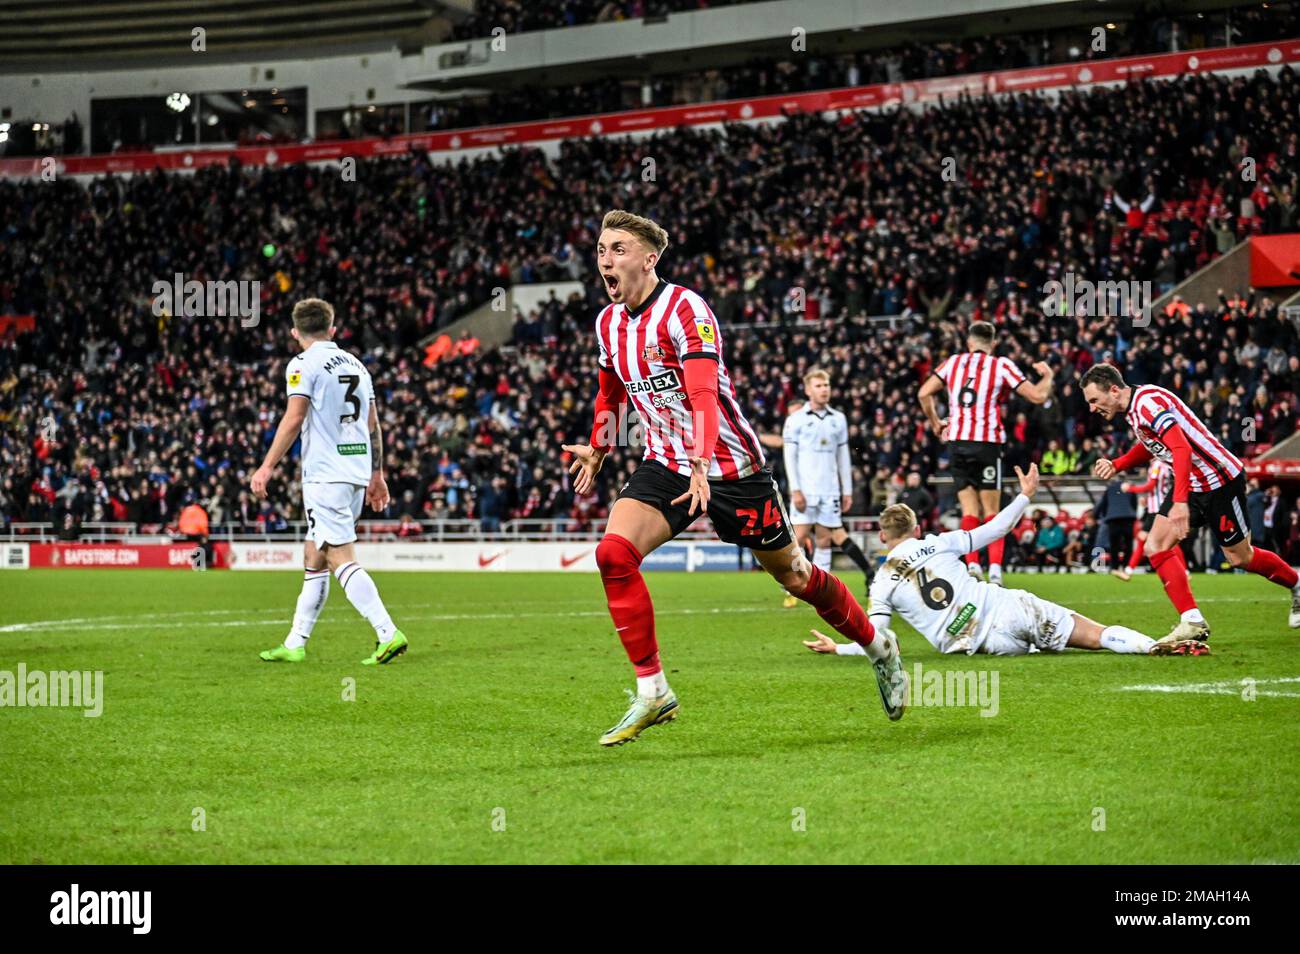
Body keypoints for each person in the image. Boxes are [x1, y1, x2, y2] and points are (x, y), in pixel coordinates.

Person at [562, 210, 906, 746]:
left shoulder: (686, 309)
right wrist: (601, 449)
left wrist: (702, 460)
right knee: (613, 553)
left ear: (650, 260)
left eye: (619, 249)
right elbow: (610, 393)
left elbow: (701, 394)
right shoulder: (608, 324)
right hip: (667, 464)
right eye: (602, 249)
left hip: (732, 469)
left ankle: (878, 646)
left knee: (797, 577)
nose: (606, 260)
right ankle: (653, 690)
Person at [803, 462, 1208, 659]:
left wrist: (838, 648)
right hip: (1006, 608)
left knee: (1042, 651)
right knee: (1093, 636)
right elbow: (995, 528)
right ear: (914, 528)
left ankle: (1040, 646)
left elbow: (880, 640)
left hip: (983, 646)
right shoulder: (940, 541)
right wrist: (1025, 494)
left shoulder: (881, 583)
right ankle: (1151, 645)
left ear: (882, 538)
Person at [1083, 362, 1300, 642]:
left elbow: (1181, 447)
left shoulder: (1148, 404)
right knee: (1156, 545)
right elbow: (1152, 445)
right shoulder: (1134, 409)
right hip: (1193, 482)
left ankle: (1296, 585)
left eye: (1094, 400)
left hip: (1220, 480)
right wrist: (1119, 463)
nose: (1092, 408)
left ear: (1113, 390)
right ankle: (1192, 621)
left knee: (1239, 557)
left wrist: (1180, 502)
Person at [250, 297, 409, 665]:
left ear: (295, 333)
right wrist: (377, 473)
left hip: (326, 475)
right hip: (354, 472)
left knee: (340, 558)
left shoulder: (303, 364)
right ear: (332, 329)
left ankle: (387, 632)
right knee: (314, 554)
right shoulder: (356, 364)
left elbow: (294, 418)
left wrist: (267, 466)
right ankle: (295, 642)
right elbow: (372, 424)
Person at [918, 320, 1053, 586]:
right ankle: (994, 571)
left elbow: (924, 393)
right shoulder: (1000, 365)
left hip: (957, 441)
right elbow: (1037, 396)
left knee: (969, 509)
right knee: (992, 510)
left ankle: (972, 568)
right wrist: (1047, 376)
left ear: (969, 343)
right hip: (987, 442)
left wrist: (935, 422)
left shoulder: (953, 362)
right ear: (992, 344)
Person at [778, 368, 875, 609]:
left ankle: (821, 590)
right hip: (806, 490)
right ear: (809, 390)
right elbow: (789, 457)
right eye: (819, 386)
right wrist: (796, 489)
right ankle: (793, 586)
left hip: (830, 490)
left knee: (824, 540)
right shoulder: (796, 419)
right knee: (797, 539)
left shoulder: (838, 419)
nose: (825, 390)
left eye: (827, 385)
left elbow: (843, 456)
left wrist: (847, 490)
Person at [1113, 459, 1173, 580]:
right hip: (1155, 508)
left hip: (1157, 509)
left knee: (1167, 543)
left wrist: (1130, 488)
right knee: (1146, 539)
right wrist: (1147, 500)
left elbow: (1151, 486)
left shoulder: (1157, 464)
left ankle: (1128, 571)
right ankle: (1128, 571)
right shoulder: (1164, 465)